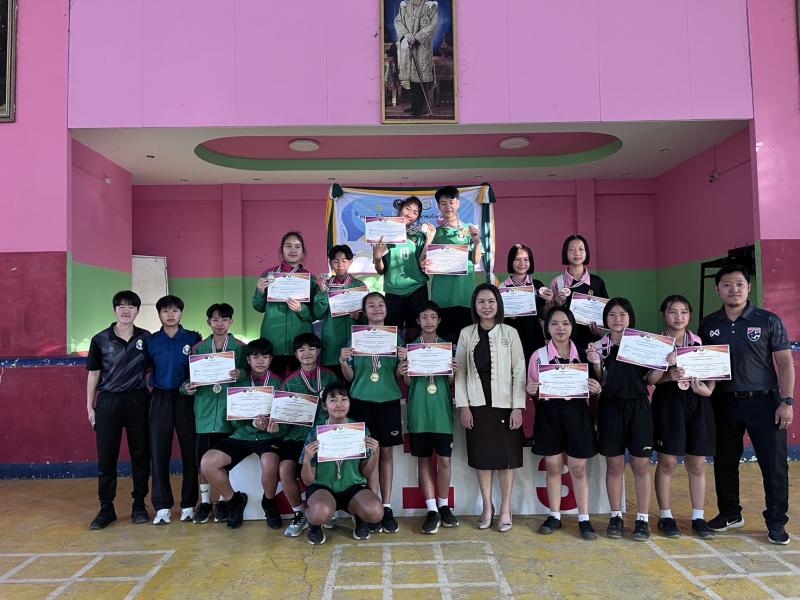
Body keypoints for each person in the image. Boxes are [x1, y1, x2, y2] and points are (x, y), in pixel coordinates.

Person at [698, 264, 794, 545]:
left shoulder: (768, 320)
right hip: (723, 402)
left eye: (740, 284)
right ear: (718, 289)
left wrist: (786, 401)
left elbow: (785, 364)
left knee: (774, 466)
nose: (734, 289)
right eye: (727, 285)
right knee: (724, 462)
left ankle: (776, 521)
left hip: (764, 402)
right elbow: (703, 363)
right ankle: (730, 513)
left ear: (749, 287)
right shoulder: (709, 324)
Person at [454, 283, 526, 532]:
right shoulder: (466, 333)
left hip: (506, 404)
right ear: (474, 306)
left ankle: (505, 508)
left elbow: (519, 371)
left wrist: (518, 407)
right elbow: (460, 372)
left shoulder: (510, 333)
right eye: (481, 301)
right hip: (477, 404)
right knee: (482, 459)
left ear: (498, 305)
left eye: (491, 301)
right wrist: (464, 406)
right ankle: (487, 507)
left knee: (507, 459)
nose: (486, 306)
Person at [527, 306, 602, 541]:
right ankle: (554, 516)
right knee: (553, 466)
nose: (560, 328)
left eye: (566, 323)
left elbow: (597, 385)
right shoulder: (538, 356)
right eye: (555, 323)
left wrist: (597, 383)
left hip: (578, 416)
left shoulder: (585, 355)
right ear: (547, 328)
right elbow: (532, 389)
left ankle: (584, 519)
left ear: (572, 327)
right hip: (549, 415)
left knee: (578, 468)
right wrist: (531, 389)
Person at [648, 295, 716, 539]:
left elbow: (713, 373)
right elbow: (650, 380)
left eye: (684, 312)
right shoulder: (656, 343)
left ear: (689, 315)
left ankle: (698, 517)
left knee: (697, 463)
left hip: (697, 402)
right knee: (667, 462)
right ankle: (666, 516)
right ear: (664, 314)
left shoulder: (699, 342)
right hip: (668, 403)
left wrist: (708, 390)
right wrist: (667, 373)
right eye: (673, 312)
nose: (679, 317)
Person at [340, 292, 407, 534]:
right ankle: (365, 509)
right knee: (364, 456)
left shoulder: (396, 337)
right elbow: (350, 377)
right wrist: (343, 362)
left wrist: (403, 364)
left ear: (386, 309)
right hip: (361, 401)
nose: (377, 309)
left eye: (381, 304)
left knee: (386, 454)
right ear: (364, 311)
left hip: (388, 400)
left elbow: (398, 376)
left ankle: (385, 507)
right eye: (371, 305)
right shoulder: (356, 336)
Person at [199, 338, 283, 529]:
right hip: (242, 435)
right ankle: (233, 500)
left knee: (270, 464)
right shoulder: (239, 382)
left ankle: (269, 503)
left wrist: (274, 426)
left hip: (267, 437)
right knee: (207, 463)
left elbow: (283, 418)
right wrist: (250, 422)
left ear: (271, 359)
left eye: (265, 357)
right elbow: (233, 419)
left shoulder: (279, 383)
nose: (260, 361)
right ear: (248, 360)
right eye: (255, 357)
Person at [588, 298, 653, 541]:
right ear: (605, 319)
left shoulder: (642, 344)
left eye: (623, 314)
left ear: (630, 318)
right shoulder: (597, 347)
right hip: (610, 408)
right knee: (614, 465)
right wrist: (596, 363)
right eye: (612, 314)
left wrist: (664, 362)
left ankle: (643, 519)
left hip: (638, 408)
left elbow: (651, 378)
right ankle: (616, 516)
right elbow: (598, 382)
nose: (617, 319)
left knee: (641, 465)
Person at [86, 290, 152, 530]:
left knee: (141, 455)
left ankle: (139, 504)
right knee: (106, 457)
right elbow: (94, 374)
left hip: (138, 401)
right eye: (121, 307)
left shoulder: (146, 338)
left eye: (131, 307)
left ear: (137, 311)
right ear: (114, 310)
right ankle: (106, 508)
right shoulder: (100, 339)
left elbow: (150, 368)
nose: (126, 311)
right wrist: (90, 406)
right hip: (108, 402)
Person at [179, 303, 245, 525]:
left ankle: (225, 501)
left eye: (224, 319)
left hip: (228, 412)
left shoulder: (240, 348)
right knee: (202, 461)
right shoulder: (198, 348)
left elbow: (250, 375)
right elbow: (189, 379)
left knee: (224, 461)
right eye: (215, 319)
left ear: (231, 322)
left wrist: (241, 372)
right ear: (208, 322)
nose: (220, 323)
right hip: (205, 413)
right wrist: (186, 388)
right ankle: (206, 502)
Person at [399, 301, 460, 534]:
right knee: (423, 460)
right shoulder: (410, 348)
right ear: (418, 321)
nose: (428, 321)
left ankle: (444, 505)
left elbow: (451, 382)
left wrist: (454, 371)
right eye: (424, 317)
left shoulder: (447, 348)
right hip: (419, 411)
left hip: (442, 411)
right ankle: (432, 509)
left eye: (433, 317)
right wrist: (404, 371)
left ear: (439, 320)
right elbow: (407, 382)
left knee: (444, 461)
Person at [300, 383, 384, 544]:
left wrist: (375, 454)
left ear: (350, 403)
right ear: (324, 406)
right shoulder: (316, 433)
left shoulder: (360, 430)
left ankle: (360, 517)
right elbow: (308, 481)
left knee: (375, 512)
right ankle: (314, 524)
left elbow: (366, 473)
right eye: (333, 400)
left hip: (354, 487)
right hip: (323, 488)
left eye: (343, 399)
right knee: (319, 513)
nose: (339, 404)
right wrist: (306, 459)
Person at [277, 333, 340, 537]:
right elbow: (283, 416)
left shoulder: (330, 377)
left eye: (311, 348)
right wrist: (277, 424)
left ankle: (327, 510)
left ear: (319, 351)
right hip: (296, 436)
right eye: (301, 350)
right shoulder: (289, 382)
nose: (306, 353)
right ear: (295, 354)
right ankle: (299, 512)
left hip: (324, 435)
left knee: (327, 469)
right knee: (285, 469)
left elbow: (340, 405)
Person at [148, 295, 202, 525]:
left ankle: (189, 504)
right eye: (165, 311)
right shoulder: (151, 341)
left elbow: (202, 368)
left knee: (190, 451)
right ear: (159, 314)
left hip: (186, 399)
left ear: (181, 313)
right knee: (159, 451)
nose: (170, 315)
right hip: (160, 398)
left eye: (175, 310)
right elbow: (143, 369)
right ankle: (162, 507)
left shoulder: (193, 338)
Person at [253, 231, 317, 377]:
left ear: (303, 251)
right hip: (273, 340)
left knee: (300, 383)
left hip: (301, 343)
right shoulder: (269, 275)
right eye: (288, 246)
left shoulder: (310, 279)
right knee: (273, 382)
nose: (293, 250)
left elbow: (316, 314)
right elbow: (258, 307)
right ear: (282, 250)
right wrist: (260, 292)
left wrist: (301, 309)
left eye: (297, 246)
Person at [427, 186, 484, 343]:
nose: (448, 207)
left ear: (458, 203)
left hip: (465, 297)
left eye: (451, 202)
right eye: (443, 203)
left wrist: (477, 241)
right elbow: (426, 263)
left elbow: (476, 261)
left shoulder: (470, 230)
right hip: (442, 300)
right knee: (444, 345)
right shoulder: (434, 233)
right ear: (438, 206)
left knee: (466, 345)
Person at [373, 196, 434, 342]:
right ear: (400, 209)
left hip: (417, 290)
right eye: (407, 209)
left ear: (418, 217)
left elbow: (422, 263)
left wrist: (429, 239)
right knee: (393, 334)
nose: (410, 214)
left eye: (415, 212)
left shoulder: (419, 236)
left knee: (415, 332)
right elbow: (380, 270)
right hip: (393, 291)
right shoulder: (384, 236)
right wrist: (378, 258)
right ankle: (397, 357)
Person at [315, 244, 365, 379]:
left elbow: (368, 316)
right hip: (331, 344)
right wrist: (322, 292)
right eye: (335, 261)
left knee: (353, 383)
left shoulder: (359, 286)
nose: (340, 265)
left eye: (344, 260)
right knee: (333, 383)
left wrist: (359, 316)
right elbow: (318, 314)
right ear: (330, 263)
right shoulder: (325, 285)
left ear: (350, 262)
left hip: (354, 344)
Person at [550, 234, 609, 349]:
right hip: (564, 343)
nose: (577, 253)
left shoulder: (597, 282)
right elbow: (549, 317)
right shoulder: (557, 283)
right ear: (565, 253)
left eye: (581, 249)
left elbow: (605, 315)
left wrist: (600, 330)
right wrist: (555, 303)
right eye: (571, 249)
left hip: (592, 344)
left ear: (586, 252)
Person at [394, 0, 439, 117]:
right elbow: (398, 21)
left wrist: (417, 37)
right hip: (408, 45)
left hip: (422, 47)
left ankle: (419, 108)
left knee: (420, 76)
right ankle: (415, 106)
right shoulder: (405, 5)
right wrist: (405, 34)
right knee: (412, 78)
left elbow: (434, 25)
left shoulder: (430, 6)